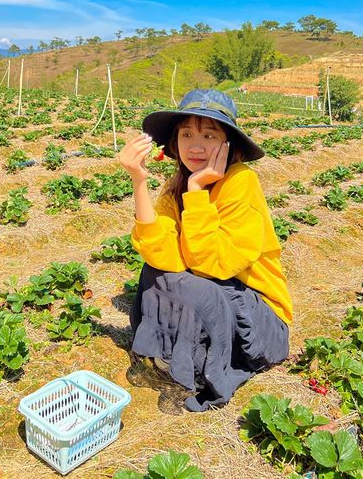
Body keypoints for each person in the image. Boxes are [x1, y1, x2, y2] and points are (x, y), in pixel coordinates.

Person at [118, 89, 292, 412]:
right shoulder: (176, 188)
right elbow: (161, 254)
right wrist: (139, 181)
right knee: (154, 271)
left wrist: (197, 190)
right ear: (174, 142)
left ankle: (206, 367)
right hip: (223, 296)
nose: (195, 146)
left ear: (229, 144)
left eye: (209, 134)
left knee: (198, 289)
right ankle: (178, 354)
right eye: (187, 134)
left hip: (262, 323)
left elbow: (213, 265)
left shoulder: (241, 183)